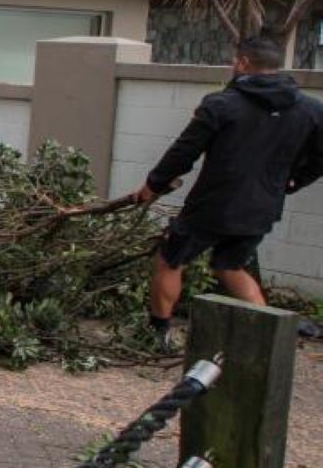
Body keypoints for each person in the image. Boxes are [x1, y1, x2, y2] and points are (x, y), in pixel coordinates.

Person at [132, 34, 323, 349]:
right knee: (229, 265)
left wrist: (153, 186)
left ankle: (159, 334)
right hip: (264, 205)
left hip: (212, 205)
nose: (233, 65)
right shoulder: (311, 110)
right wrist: (293, 181)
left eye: (236, 60)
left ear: (245, 63)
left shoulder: (221, 105)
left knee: (171, 260)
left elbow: (184, 152)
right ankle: (269, 339)